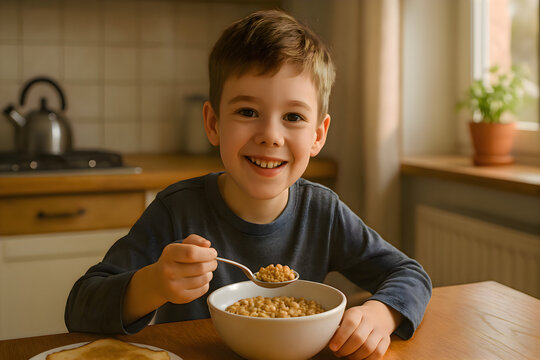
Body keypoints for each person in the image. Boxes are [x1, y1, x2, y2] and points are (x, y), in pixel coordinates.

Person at [65, 9, 431, 359]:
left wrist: (380, 315)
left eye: (293, 116)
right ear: (213, 123)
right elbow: (80, 307)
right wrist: (154, 284)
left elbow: (410, 274)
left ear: (318, 136)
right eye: (247, 112)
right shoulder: (177, 210)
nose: (270, 136)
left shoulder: (323, 212)